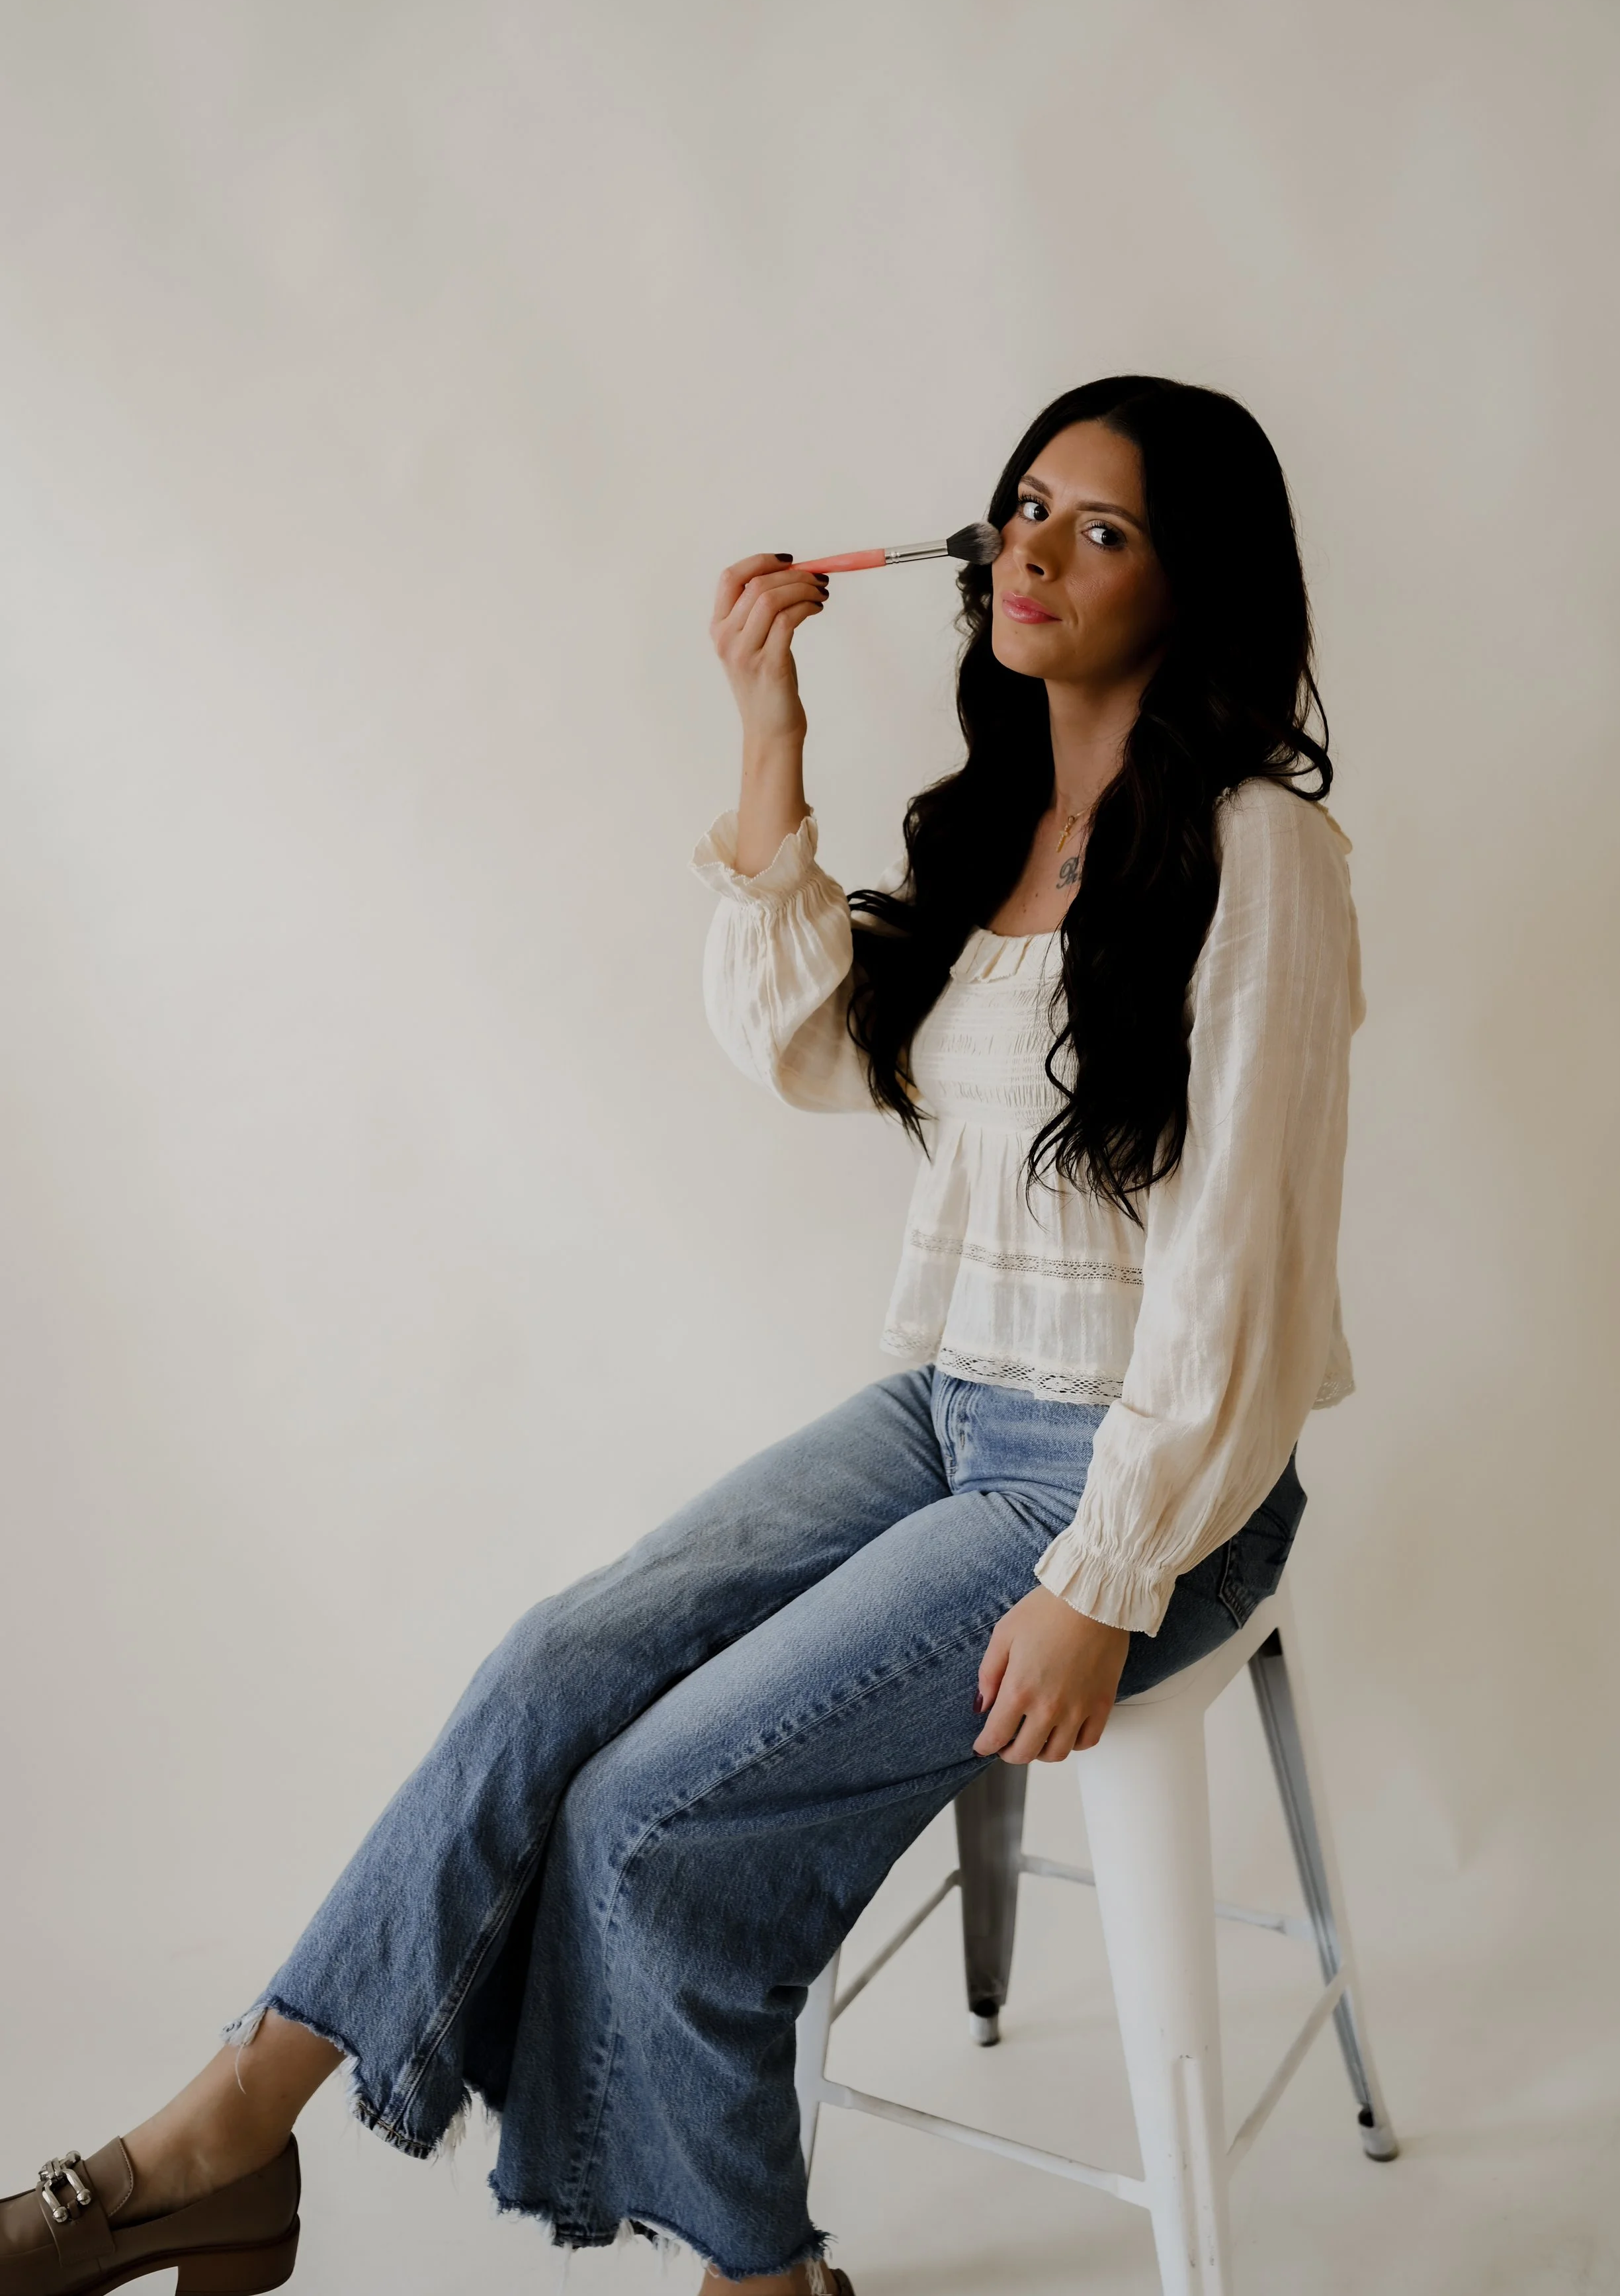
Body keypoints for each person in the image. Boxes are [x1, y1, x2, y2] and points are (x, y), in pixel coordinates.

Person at [1, 376, 1363, 2296]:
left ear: (1193, 581)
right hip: (954, 1411)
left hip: (1156, 1472)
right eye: (1027, 507)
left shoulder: (1260, 853)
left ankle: (752, 2273)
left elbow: (1244, 1269)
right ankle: (226, 2128)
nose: (1039, 548)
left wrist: (1108, 1570)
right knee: (555, 1661)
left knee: (648, 1812)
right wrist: (764, 724)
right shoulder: (995, 829)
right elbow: (802, 1046)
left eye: (1106, 527)